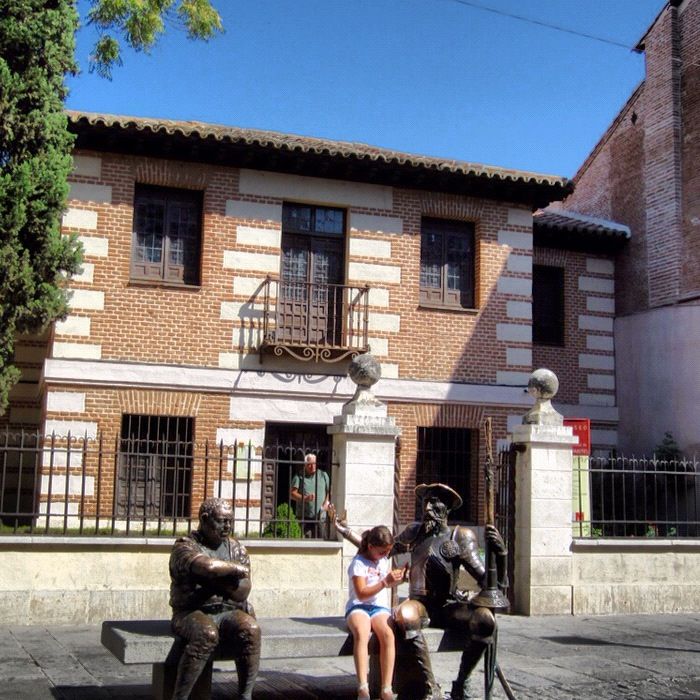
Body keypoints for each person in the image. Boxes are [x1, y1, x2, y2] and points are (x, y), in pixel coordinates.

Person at [334, 483, 507, 700]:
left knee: (485, 619)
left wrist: (501, 556)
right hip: (420, 604)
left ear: (447, 508)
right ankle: (430, 686)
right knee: (404, 614)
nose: (427, 508)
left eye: (435, 502)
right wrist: (346, 531)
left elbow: (488, 581)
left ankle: (461, 683)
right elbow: (378, 548)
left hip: (449, 604)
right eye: (426, 502)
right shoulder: (414, 532)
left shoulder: (460, 536)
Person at [169, 497, 261, 700]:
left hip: (228, 611)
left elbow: (242, 592)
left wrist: (211, 579)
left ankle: (245, 696)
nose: (227, 526)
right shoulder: (185, 546)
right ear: (204, 519)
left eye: (230, 521)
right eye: (221, 521)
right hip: (191, 612)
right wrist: (234, 570)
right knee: (207, 633)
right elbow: (207, 566)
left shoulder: (236, 548)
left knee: (251, 629)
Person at [344, 524, 406, 700]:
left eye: (387, 552)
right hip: (359, 606)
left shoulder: (383, 560)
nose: (385, 556)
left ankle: (386, 687)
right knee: (362, 633)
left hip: (378, 607)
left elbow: (385, 583)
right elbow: (362, 594)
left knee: (388, 634)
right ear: (370, 547)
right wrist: (385, 582)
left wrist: (398, 579)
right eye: (381, 552)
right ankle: (363, 686)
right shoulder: (358, 563)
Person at [290, 453, 330, 537]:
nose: (312, 467)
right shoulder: (299, 476)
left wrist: (326, 503)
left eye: (314, 464)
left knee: (322, 541)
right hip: (304, 517)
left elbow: (328, 492)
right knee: (306, 542)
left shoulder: (323, 475)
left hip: (321, 516)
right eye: (309, 465)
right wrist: (305, 498)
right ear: (305, 465)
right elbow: (292, 494)